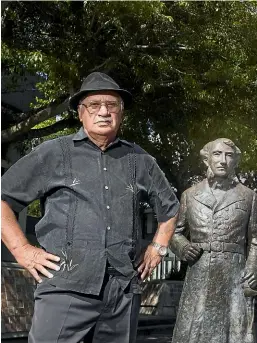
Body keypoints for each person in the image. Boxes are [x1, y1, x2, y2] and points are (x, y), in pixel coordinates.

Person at [1, 72, 179, 343]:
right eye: (94, 105)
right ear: (81, 113)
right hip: (65, 285)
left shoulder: (139, 159)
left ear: (121, 113)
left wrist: (158, 248)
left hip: (121, 290)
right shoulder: (54, 153)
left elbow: (170, 209)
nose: (104, 111)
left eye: (112, 105)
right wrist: (23, 251)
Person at [169, 138, 257, 343]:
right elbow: (174, 233)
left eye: (229, 155)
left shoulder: (248, 196)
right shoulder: (190, 195)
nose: (223, 160)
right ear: (207, 160)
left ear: (235, 161)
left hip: (234, 273)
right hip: (200, 271)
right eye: (217, 154)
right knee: (194, 331)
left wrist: (252, 270)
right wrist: (183, 247)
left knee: (234, 333)